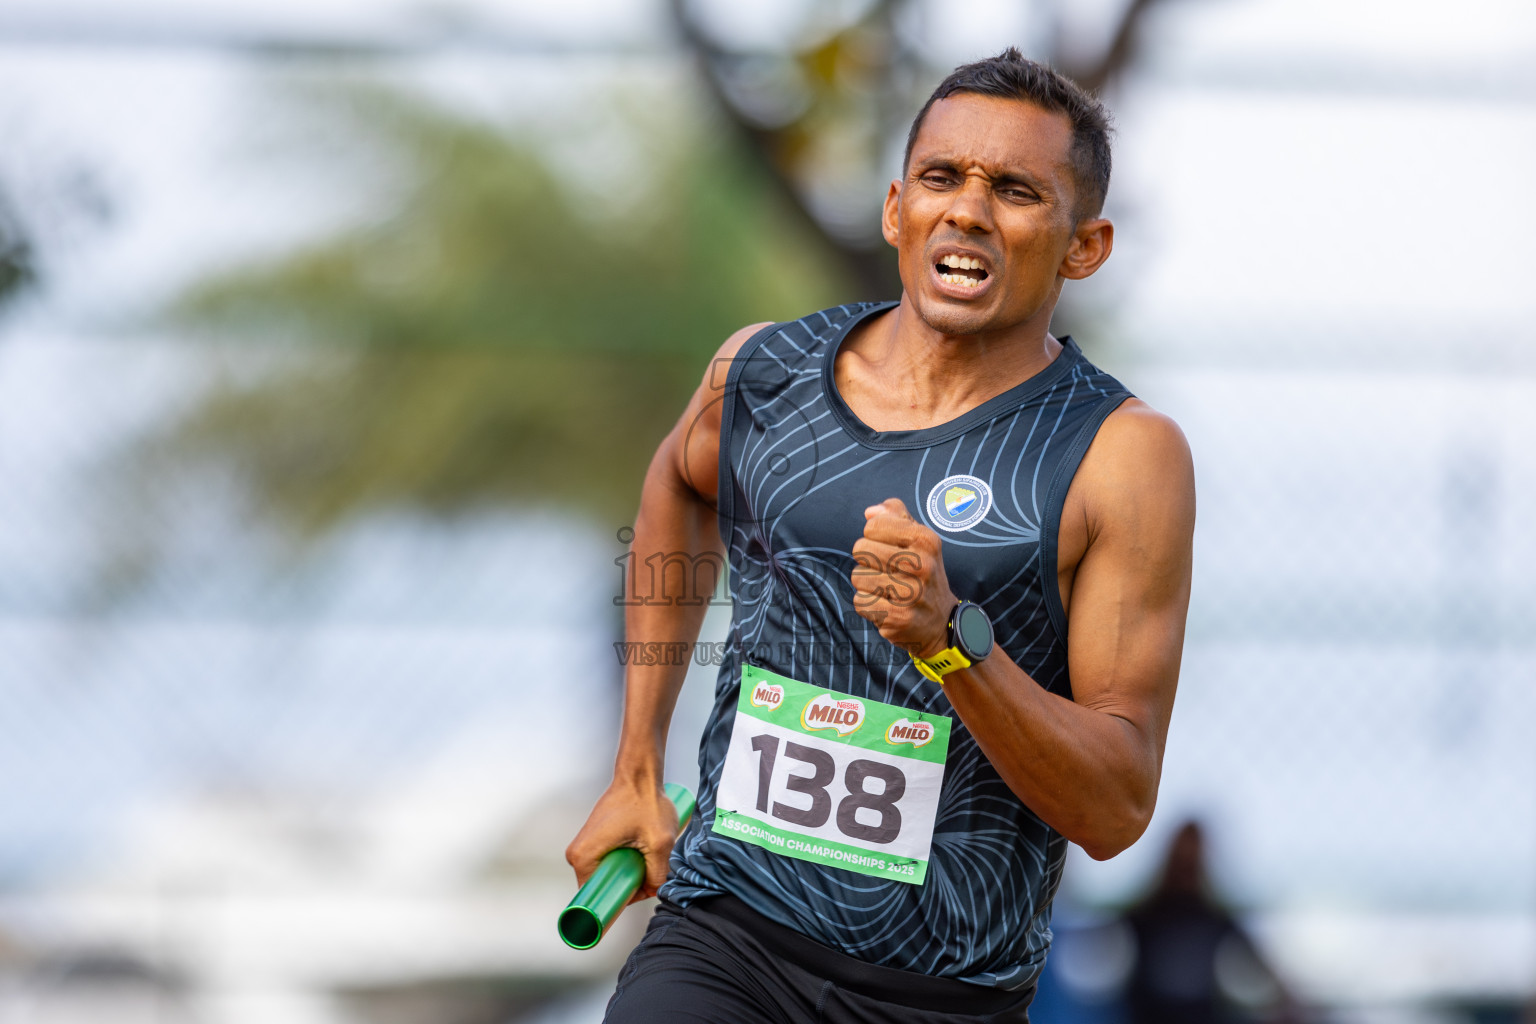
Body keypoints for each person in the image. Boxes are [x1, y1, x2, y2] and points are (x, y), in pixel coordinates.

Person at [567, 47, 1196, 1023]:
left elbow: (1114, 807)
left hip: (940, 991)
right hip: (725, 933)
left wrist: (953, 644)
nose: (970, 212)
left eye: (1017, 190)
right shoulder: (762, 375)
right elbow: (678, 485)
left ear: (1085, 246)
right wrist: (637, 769)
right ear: (898, 208)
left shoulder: (1120, 455)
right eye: (943, 178)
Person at [1122, 821, 1298, 1024]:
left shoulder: (1215, 917)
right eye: (1182, 863)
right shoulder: (1142, 917)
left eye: (1191, 864)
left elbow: (1264, 966)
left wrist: (1288, 1000)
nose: (1186, 870)